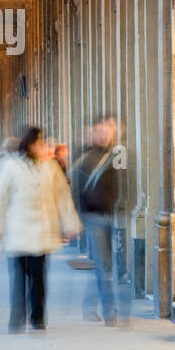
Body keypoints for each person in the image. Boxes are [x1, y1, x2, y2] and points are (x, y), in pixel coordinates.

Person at [0, 127, 82, 332]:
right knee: (19, 276)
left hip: (42, 230)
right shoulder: (10, 166)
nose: (42, 146)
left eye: (43, 143)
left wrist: (70, 224)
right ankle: (17, 316)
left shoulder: (50, 167)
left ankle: (37, 317)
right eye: (38, 143)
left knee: (38, 276)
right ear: (29, 145)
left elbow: (62, 195)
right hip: (18, 229)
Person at [71, 115, 121, 326]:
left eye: (109, 130)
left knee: (105, 265)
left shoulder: (116, 154)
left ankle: (89, 305)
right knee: (104, 265)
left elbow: (120, 180)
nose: (105, 134)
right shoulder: (85, 156)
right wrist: (77, 216)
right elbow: (76, 188)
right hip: (92, 216)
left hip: (110, 215)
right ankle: (110, 311)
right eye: (101, 131)